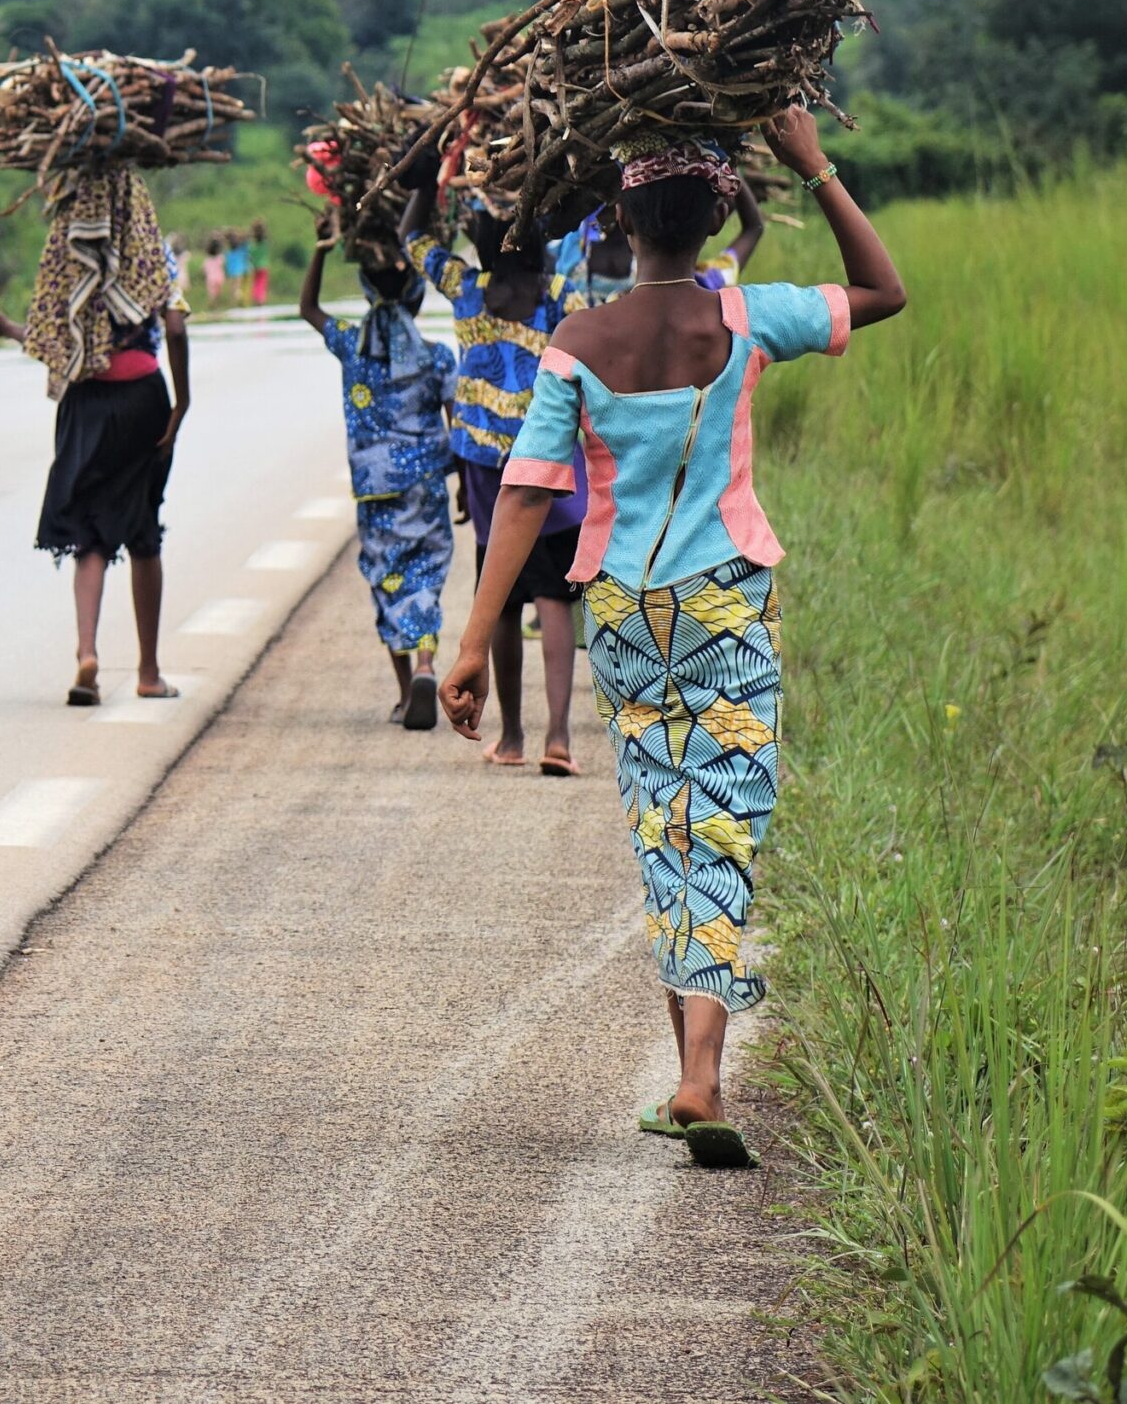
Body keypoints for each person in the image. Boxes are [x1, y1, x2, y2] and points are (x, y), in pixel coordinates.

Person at [443, 105, 906, 1169]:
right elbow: (883, 290)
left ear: (619, 215)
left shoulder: (574, 343)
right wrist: (815, 167)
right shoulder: (743, 320)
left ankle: (695, 1078)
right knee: (726, 821)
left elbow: (523, 496)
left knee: (664, 822)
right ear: (721, 213)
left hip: (621, 615)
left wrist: (470, 643)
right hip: (726, 604)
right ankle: (699, 1075)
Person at [0, 167, 191, 706]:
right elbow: (177, 327)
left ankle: (86, 653)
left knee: (89, 534)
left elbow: (51, 341)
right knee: (143, 532)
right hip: (143, 396)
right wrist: (182, 401)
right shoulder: (149, 252)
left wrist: (1, 326)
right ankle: (148, 672)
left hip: (85, 403)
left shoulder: (64, 257)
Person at [400, 167, 586, 770]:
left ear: (482, 244)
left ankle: (512, 738)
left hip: (485, 466)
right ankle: (559, 736)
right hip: (551, 456)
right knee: (556, 595)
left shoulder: (467, 287)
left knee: (500, 598)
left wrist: (427, 172)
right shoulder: (561, 295)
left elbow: (414, 239)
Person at [298, 219, 456, 728]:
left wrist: (322, 250)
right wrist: (469, 493)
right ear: (416, 297)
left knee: (387, 578)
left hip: (374, 491)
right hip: (427, 484)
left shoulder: (351, 346)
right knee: (426, 575)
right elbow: (457, 425)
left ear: (367, 293)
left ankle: (406, 690)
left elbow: (308, 310)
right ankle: (428, 660)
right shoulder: (437, 358)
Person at [199, 230, 228, 308]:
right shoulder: (220, 257)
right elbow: (224, 265)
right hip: (219, 277)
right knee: (218, 294)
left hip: (210, 279)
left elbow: (202, 269)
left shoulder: (207, 260)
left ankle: (212, 306)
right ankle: (217, 306)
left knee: (211, 294)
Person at [247, 216, 271, 306]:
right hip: (264, 266)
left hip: (254, 267)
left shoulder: (252, 245)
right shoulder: (265, 244)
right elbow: (265, 235)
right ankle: (261, 300)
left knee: (256, 283)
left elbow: (249, 257)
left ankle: (256, 298)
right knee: (262, 283)